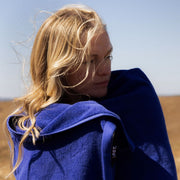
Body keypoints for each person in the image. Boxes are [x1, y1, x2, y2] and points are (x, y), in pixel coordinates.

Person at [5, 4, 177, 180]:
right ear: (59, 67)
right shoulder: (31, 127)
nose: (105, 70)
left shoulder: (134, 99)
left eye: (107, 56)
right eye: (89, 61)